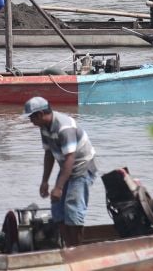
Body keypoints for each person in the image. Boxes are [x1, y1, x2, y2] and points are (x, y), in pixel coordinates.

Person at [23, 97, 97, 247]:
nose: (31, 121)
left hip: (81, 167)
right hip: (66, 168)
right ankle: (68, 246)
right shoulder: (44, 127)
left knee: (73, 209)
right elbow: (49, 154)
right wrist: (45, 181)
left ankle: (76, 250)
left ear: (41, 114)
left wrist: (59, 187)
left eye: (32, 117)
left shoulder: (64, 127)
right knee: (57, 208)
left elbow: (70, 158)